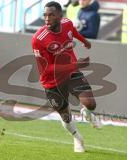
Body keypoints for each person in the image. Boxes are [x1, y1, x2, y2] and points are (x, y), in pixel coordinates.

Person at [32, 1, 102, 153]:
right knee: (65, 115)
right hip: (52, 81)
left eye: (51, 15)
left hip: (71, 74)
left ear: (60, 16)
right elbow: (48, 68)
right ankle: (77, 138)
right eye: (45, 15)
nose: (47, 18)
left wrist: (84, 41)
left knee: (90, 103)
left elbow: (73, 32)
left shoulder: (67, 23)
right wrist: (75, 65)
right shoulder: (39, 39)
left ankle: (87, 112)